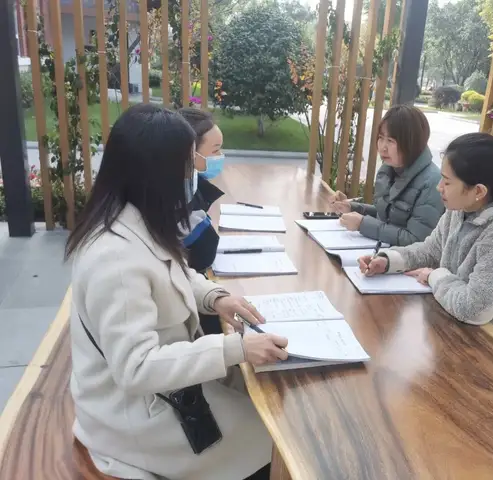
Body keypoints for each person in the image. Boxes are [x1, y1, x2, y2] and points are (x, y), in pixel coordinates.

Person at [65, 104, 288, 480]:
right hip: (135, 417)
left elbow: (173, 270)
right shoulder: (114, 259)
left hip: (167, 392)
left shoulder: (134, 216)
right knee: (275, 441)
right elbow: (136, 368)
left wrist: (215, 297)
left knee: (269, 415)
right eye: (187, 165)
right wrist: (234, 349)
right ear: (157, 172)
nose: (194, 174)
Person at [359, 132, 493, 341]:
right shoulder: (463, 207)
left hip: (492, 347)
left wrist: (433, 276)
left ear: (478, 191)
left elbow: (472, 309)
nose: (439, 187)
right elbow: (431, 250)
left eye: (447, 182)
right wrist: (388, 261)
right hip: (452, 327)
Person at [330, 105, 444, 246]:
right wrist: (353, 208)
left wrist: (363, 224)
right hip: (380, 251)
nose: (383, 147)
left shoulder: (432, 182)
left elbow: (416, 240)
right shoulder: (389, 169)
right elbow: (386, 215)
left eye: (390, 141)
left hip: (402, 258)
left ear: (412, 143)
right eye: (381, 138)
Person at [178, 107, 226, 335]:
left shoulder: (190, 184)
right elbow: (202, 250)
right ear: (190, 153)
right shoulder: (169, 202)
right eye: (215, 150)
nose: (220, 156)